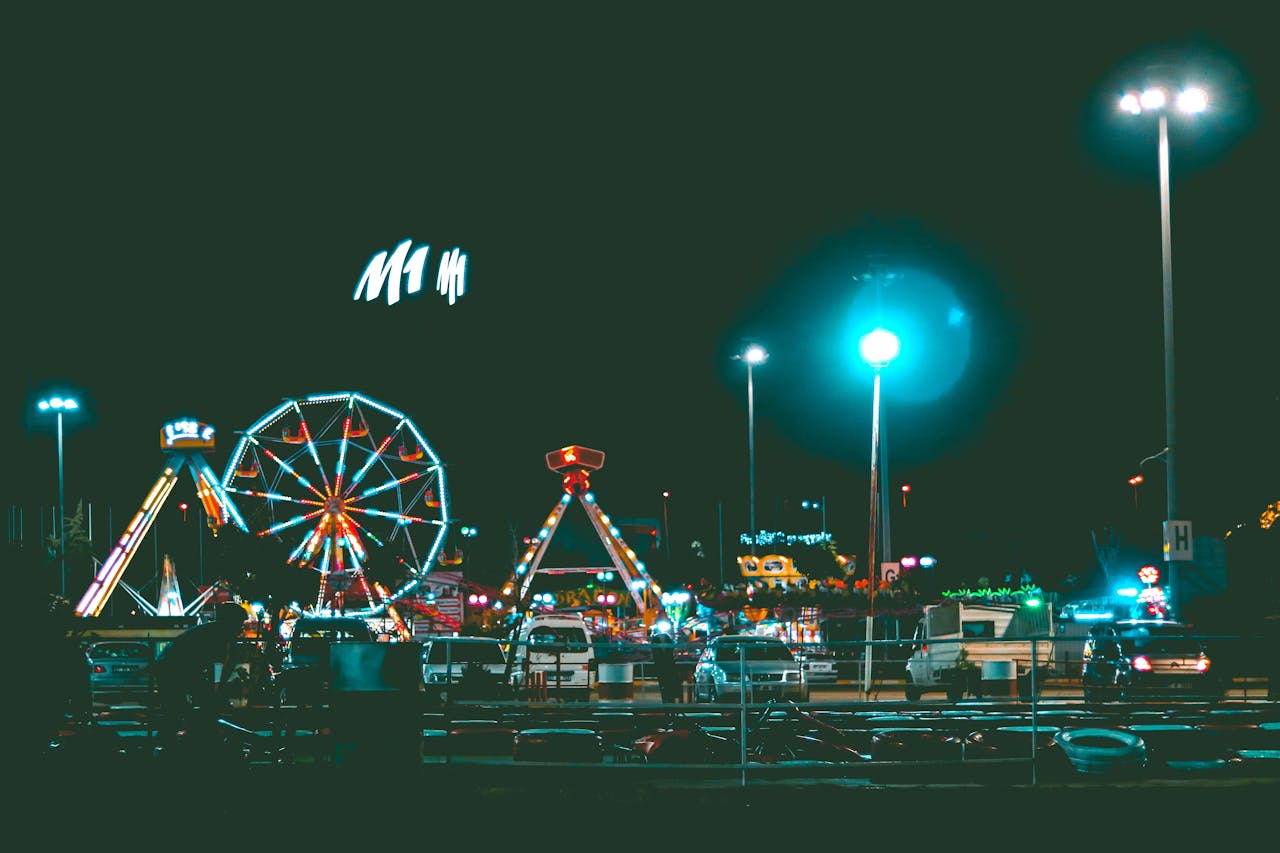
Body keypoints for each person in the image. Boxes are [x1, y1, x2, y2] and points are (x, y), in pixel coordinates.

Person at [151, 602, 249, 750]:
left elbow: (220, 666)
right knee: (177, 706)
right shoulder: (218, 634)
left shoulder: (214, 631)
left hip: (177, 666)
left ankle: (177, 738)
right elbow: (220, 665)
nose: (241, 628)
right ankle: (172, 740)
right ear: (231, 622)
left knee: (185, 705)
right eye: (240, 623)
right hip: (173, 667)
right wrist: (216, 692)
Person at [650, 629, 683, 704]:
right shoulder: (667, 638)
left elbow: (654, 652)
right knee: (670, 684)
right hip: (668, 665)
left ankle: (666, 702)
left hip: (661, 665)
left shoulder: (656, 639)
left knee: (664, 684)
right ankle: (670, 702)